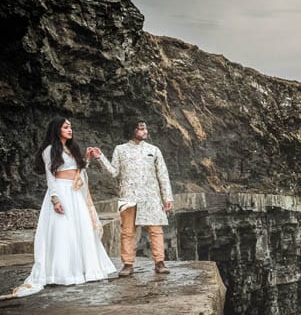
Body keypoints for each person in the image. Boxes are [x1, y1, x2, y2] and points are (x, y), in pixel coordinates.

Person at [3, 118, 117, 299]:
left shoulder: (72, 149)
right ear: (57, 130)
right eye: (66, 127)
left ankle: (85, 270)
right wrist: (55, 200)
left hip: (75, 193)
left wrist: (87, 159)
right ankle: (62, 273)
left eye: (70, 126)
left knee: (81, 230)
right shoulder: (49, 151)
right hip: (61, 192)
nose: (70, 129)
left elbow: (79, 170)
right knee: (64, 231)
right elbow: (50, 177)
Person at [93, 120, 174, 275]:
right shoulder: (120, 150)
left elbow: (163, 175)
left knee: (156, 230)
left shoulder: (153, 150)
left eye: (146, 128)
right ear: (133, 130)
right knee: (127, 231)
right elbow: (113, 172)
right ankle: (128, 264)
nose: (145, 132)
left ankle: (160, 263)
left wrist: (167, 197)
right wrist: (100, 157)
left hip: (151, 197)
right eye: (141, 129)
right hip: (128, 197)